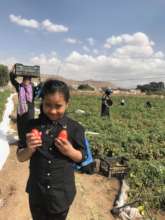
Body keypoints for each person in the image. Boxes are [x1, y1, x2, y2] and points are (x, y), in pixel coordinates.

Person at [16, 79, 86, 220]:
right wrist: (29, 149)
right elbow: (20, 157)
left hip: (61, 195)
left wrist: (70, 152)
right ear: (42, 102)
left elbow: (82, 157)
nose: (53, 111)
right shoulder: (31, 126)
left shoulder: (75, 128)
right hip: (37, 194)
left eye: (58, 106)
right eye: (48, 105)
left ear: (67, 104)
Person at [10, 65, 40, 140]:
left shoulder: (33, 89)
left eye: (27, 79)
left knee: (29, 126)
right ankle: (21, 140)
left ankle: (28, 142)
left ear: (30, 80)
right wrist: (13, 69)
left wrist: (40, 79)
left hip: (29, 112)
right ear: (23, 80)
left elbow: (41, 87)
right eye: (24, 79)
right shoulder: (20, 87)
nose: (26, 81)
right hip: (21, 111)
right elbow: (12, 79)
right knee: (20, 126)